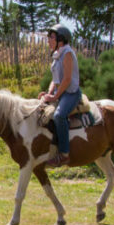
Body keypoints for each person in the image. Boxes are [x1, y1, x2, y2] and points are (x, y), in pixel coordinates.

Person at [38, 23, 81, 167]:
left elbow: (67, 79)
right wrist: (49, 93)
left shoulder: (67, 53)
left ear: (60, 40)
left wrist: (55, 97)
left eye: (52, 37)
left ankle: (64, 154)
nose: (49, 40)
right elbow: (55, 79)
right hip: (60, 92)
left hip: (70, 93)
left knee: (58, 116)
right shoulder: (57, 55)